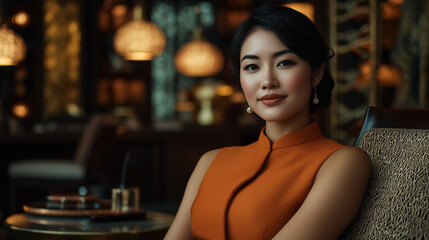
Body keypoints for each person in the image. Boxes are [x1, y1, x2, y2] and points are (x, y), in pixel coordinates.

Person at [165, 5, 371, 240]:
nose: (267, 81)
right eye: (252, 67)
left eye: (284, 63)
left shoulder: (343, 162)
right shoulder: (210, 161)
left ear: (316, 72)